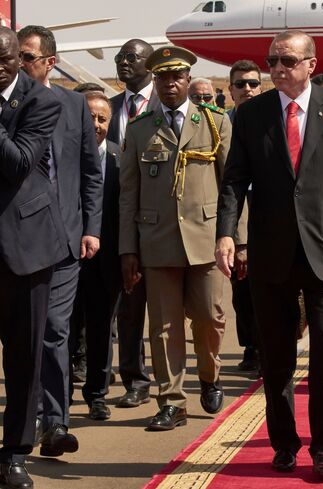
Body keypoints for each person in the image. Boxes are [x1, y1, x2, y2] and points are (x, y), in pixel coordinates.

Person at [215, 30, 323, 480]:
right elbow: (233, 182)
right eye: (272, 61)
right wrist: (228, 234)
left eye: (287, 60)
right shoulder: (251, 115)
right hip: (272, 254)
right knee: (277, 357)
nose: (278, 68)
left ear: (311, 64)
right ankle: (284, 445)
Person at [119, 46, 232, 431]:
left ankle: (210, 375)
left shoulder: (215, 122)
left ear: (187, 80)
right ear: (155, 81)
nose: (170, 84)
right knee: (164, 326)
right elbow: (127, 193)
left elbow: (232, 188)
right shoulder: (139, 129)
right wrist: (128, 248)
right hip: (157, 240)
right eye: (163, 77)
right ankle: (172, 401)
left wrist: (236, 238)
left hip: (207, 238)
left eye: (177, 77)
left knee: (210, 319)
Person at [18, 25, 103, 459]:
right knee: (24, 334)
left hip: (68, 238)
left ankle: (55, 422)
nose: (19, 63)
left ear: (50, 62)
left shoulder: (73, 105)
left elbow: (91, 171)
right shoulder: (8, 105)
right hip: (20, 241)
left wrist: (92, 227)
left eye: (27, 57)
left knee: (54, 330)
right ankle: (25, 415)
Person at [0, 26, 64, 489]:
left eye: (7, 59)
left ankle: (15, 453)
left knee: (23, 358)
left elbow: (17, 162)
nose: (1, 68)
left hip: (26, 249)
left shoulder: (42, 101)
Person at [109, 38, 160, 409]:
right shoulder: (105, 109)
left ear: (151, 64)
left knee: (166, 310)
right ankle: (135, 380)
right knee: (128, 308)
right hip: (117, 221)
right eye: (119, 58)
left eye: (132, 57)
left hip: (161, 223)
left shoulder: (168, 104)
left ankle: (179, 380)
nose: (123, 63)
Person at [67, 90, 121, 421]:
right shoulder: (61, 154)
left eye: (102, 119)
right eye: (89, 117)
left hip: (107, 260)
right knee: (65, 331)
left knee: (102, 329)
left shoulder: (120, 157)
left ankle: (97, 395)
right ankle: (59, 397)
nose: (96, 124)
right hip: (67, 257)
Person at [225, 59, 262, 373]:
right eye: (240, 84)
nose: (247, 89)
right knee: (242, 286)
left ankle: (272, 345)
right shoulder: (221, 124)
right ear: (230, 90)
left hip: (269, 211)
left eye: (252, 83)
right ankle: (251, 346)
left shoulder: (273, 120)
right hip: (236, 209)